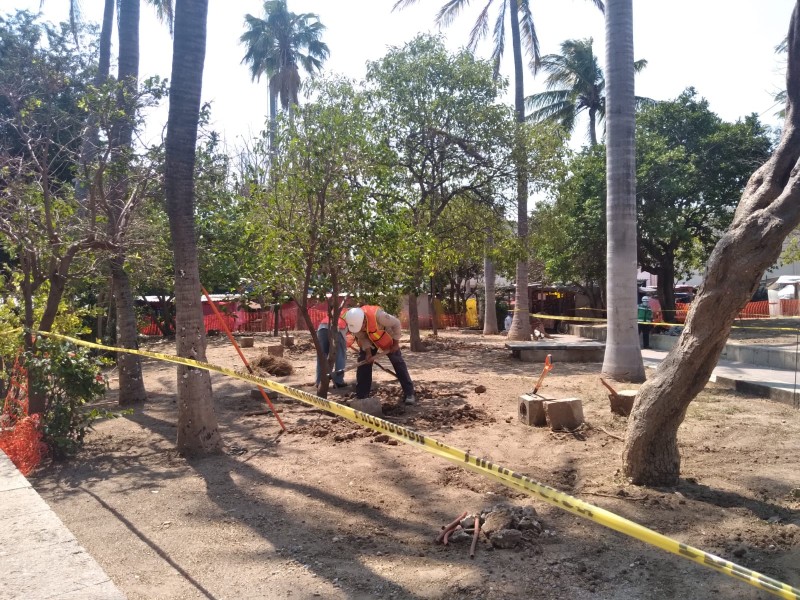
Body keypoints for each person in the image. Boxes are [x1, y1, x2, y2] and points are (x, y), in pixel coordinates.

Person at [344, 305, 416, 405]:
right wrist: (368, 354)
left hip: (387, 336)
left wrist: (396, 344)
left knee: (397, 361)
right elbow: (363, 338)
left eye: (362, 326)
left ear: (364, 320)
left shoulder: (379, 316)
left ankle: (409, 393)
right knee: (363, 362)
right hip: (371, 339)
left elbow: (396, 323)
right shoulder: (354, 324)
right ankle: (362, 395)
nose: (361, 328)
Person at [315, 308, 348, 388]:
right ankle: (338, 381)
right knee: (340, 356)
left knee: (322, 356)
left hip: (322, 328)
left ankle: (319, 381)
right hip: (338, 329)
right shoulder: (353, 314)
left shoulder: (339, 309)